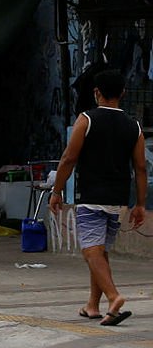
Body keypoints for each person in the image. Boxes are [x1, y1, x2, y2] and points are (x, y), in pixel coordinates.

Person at [51, 69, 147, 326]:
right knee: (99, 250)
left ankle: (114, 297)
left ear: (97, 93)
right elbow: (140, 168)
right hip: (117, 199)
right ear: (123, 93)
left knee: (90, 251)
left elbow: (69, 158)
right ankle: (92, 305)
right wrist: (140, 204)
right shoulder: (134, 126)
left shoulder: (86, 119)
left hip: (92, 196)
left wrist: (56, 191)